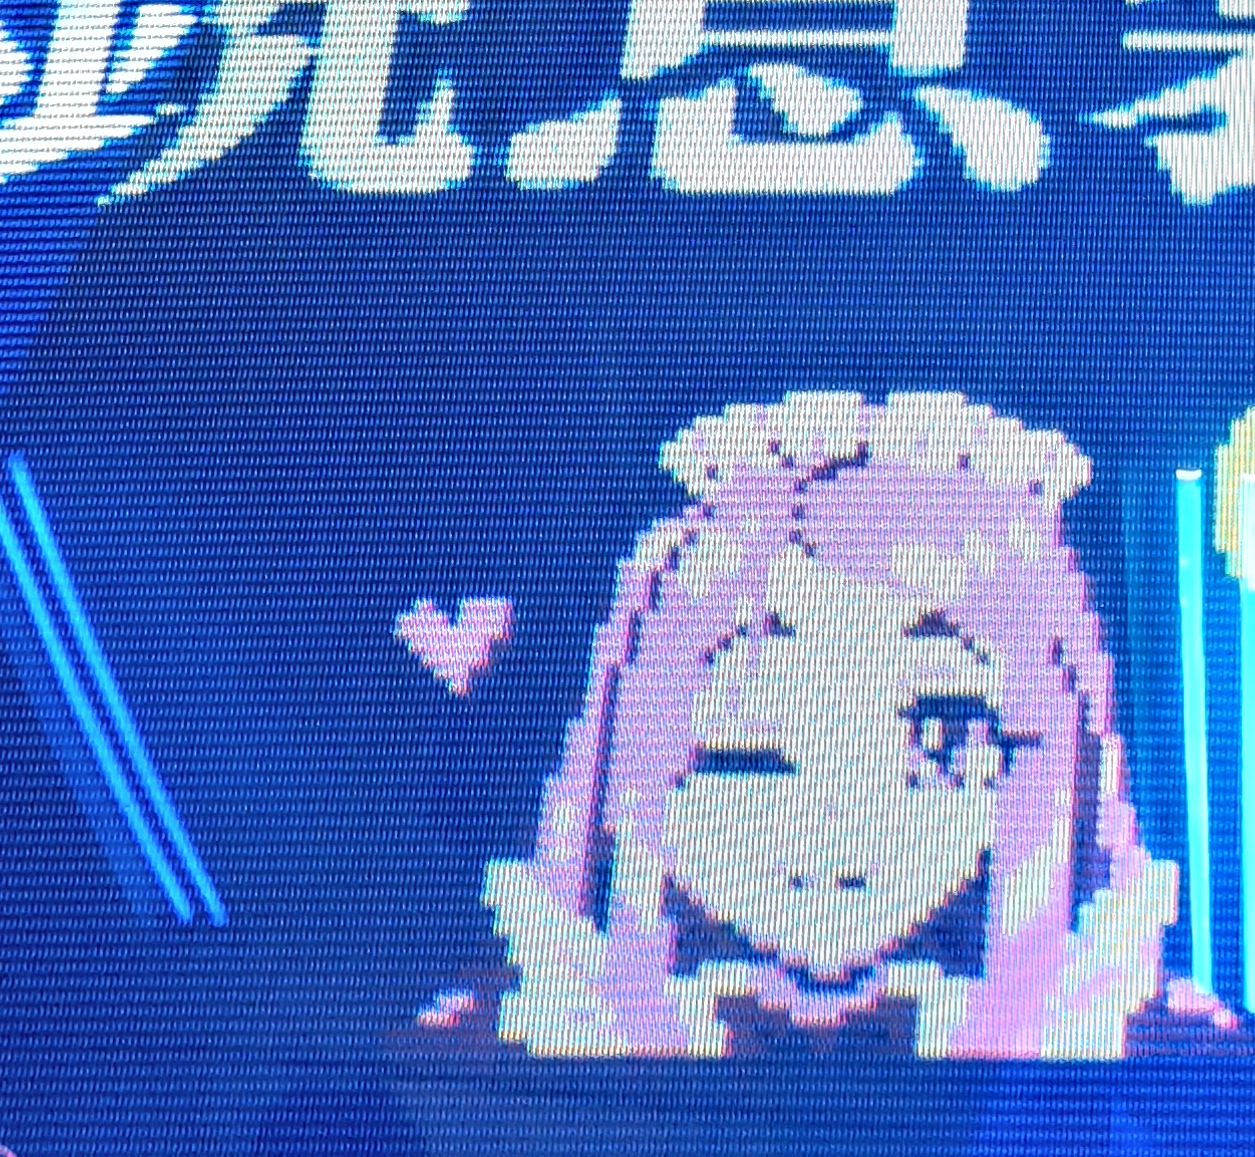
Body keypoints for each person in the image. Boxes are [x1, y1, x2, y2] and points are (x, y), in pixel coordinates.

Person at [484, 387, 1186, 1058]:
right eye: (747, 747)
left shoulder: (1178, 1065)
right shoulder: (475, 1060)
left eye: (942, 744)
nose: (838, 814)